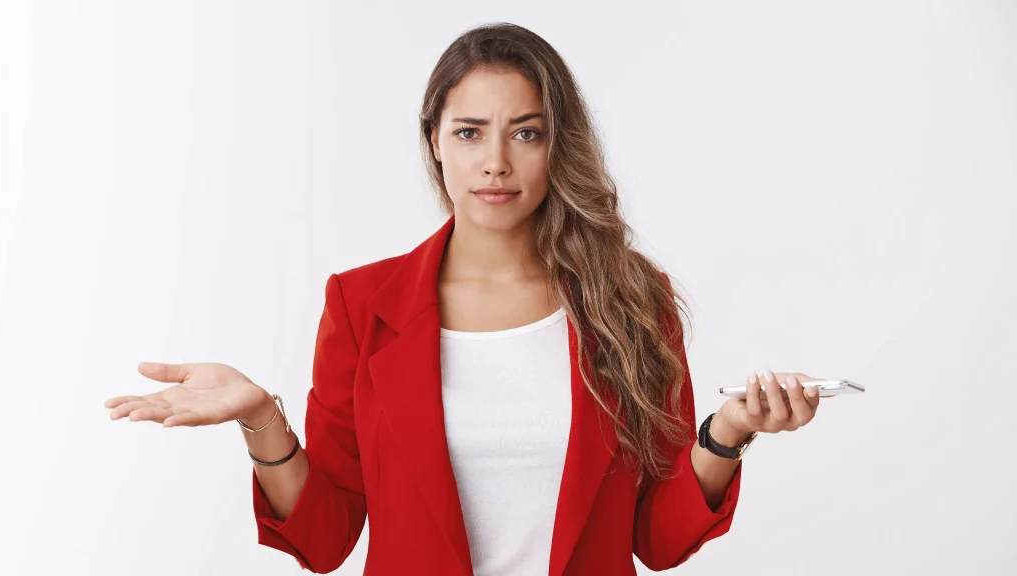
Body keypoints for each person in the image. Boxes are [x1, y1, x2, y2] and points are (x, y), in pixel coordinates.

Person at [105, 22, 823, 576]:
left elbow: (656, 540)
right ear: (436, 142)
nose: (496, 163)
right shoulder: (362, 304)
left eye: (527, 133)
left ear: (557, 146)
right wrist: (261, 417)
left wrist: (726, 433)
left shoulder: (631, 299)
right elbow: (325, 539)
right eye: (471, 132)